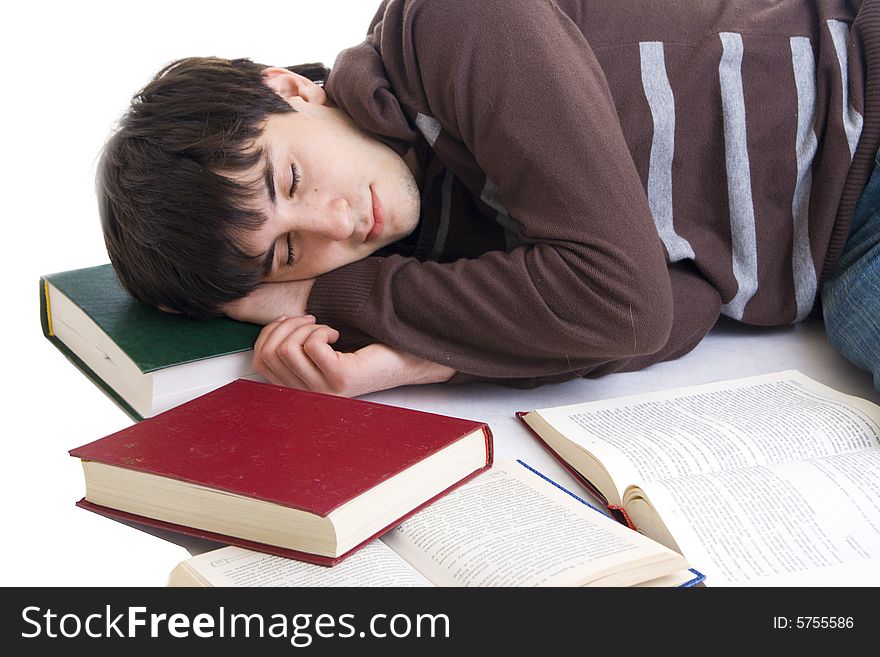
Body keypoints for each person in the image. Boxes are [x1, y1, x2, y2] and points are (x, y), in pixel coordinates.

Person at [98, 0, 880, 398]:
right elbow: (680, 307)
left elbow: (626, 306)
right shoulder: (444, 247)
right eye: (291, 252)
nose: (340, 222)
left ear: (289, 88)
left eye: (294, 180)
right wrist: (429, 360)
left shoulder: (448, 27)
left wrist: (335, 289)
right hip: (846, 257)